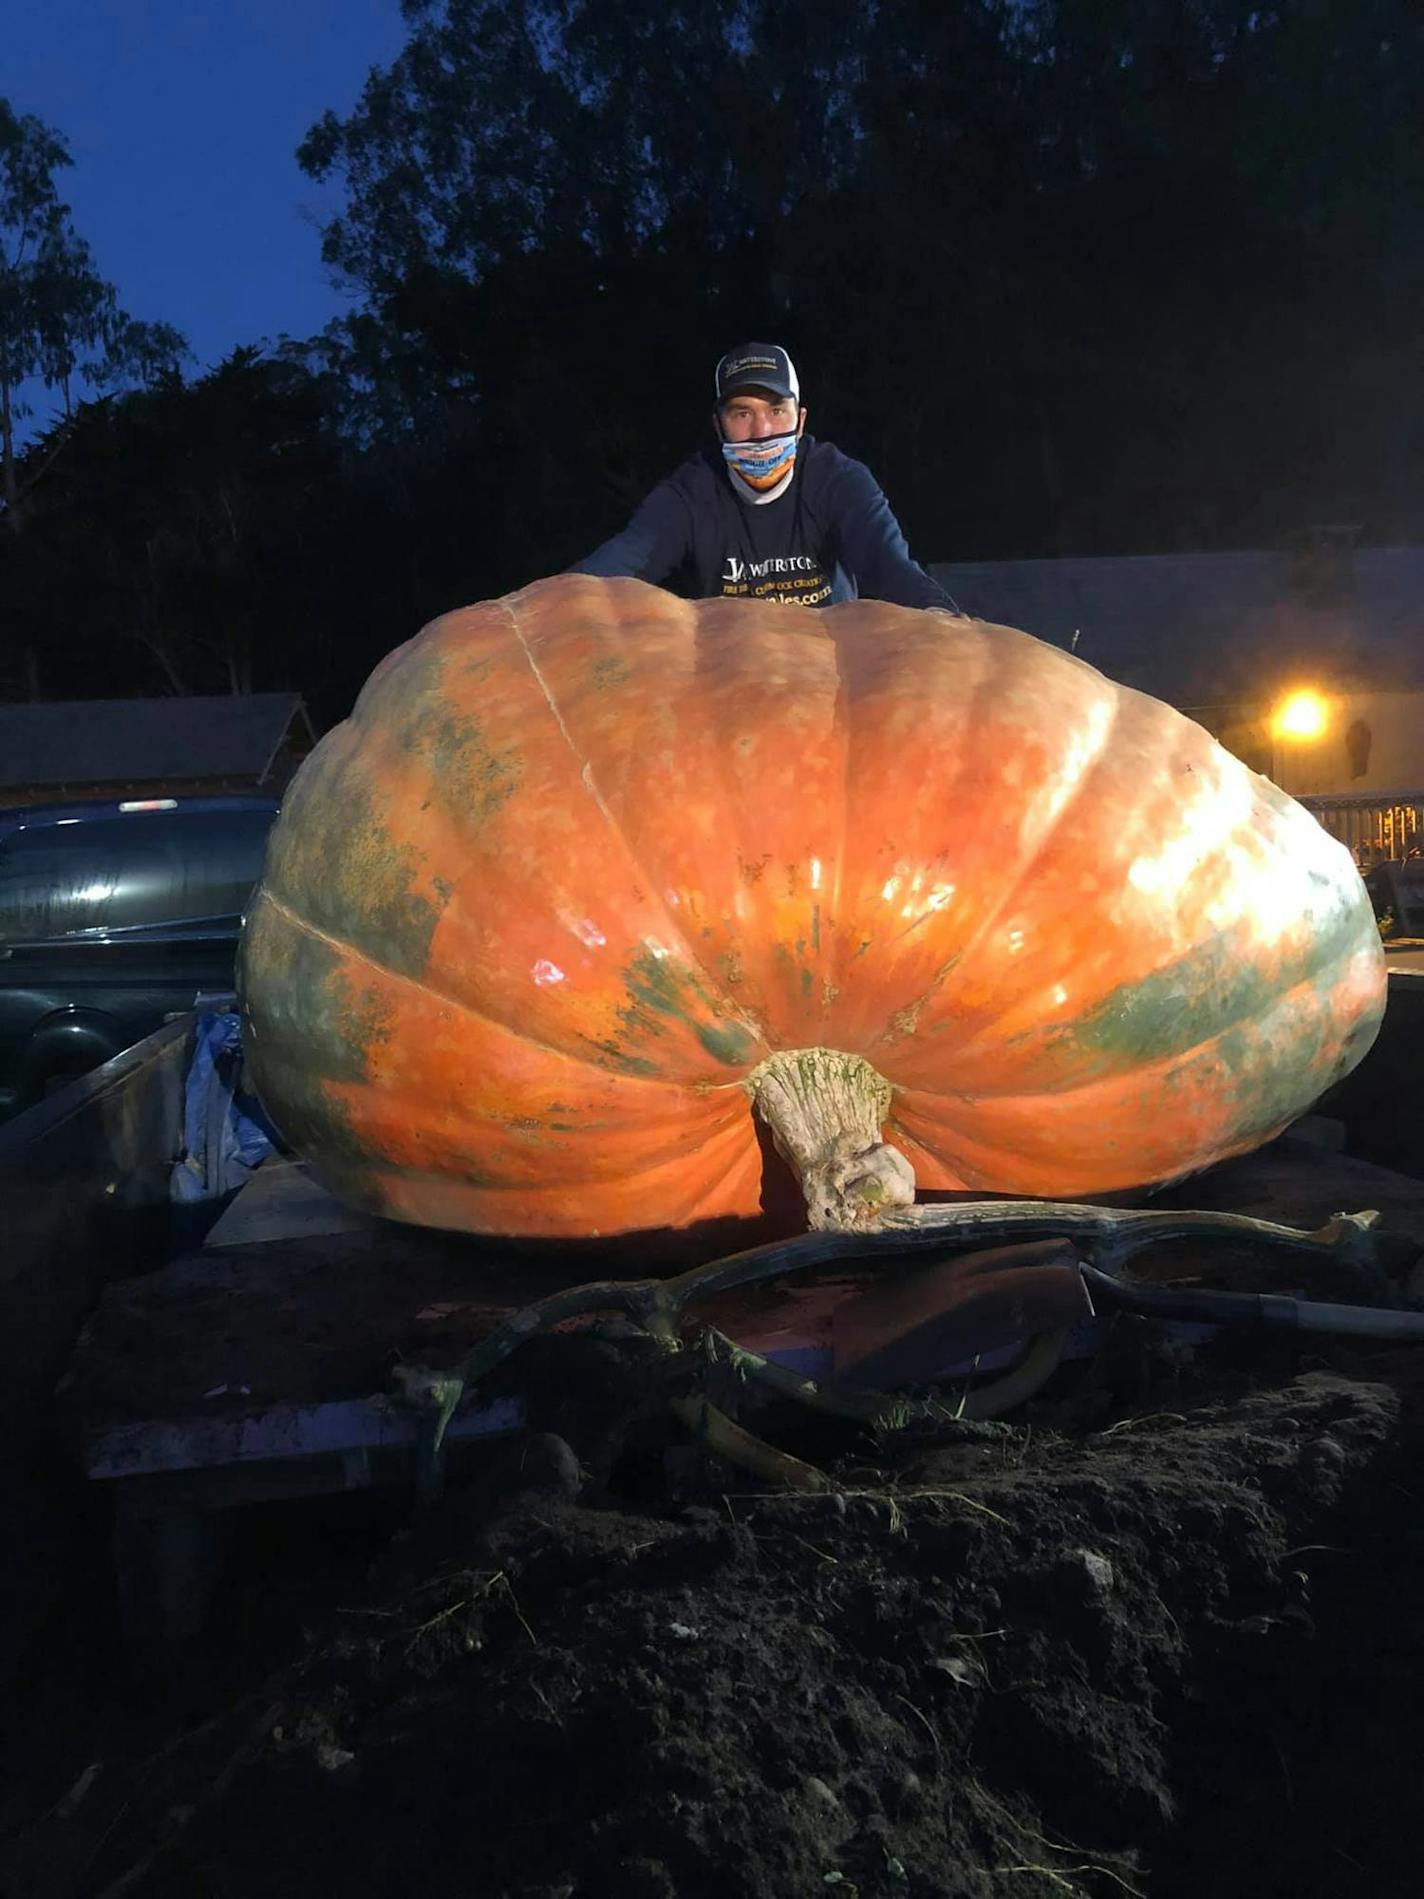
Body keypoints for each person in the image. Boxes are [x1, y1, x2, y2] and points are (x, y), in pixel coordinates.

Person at [570, 343, 957, 612]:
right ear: (719, 427)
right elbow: (616, 567)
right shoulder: (691, 492)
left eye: (776, 411)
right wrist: (541, 612)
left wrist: (940, 616)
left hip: (832, 667)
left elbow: (888, 565)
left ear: (800, 421)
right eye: (742, 414)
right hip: (730, 679)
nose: (761, 432)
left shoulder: (837, 479)